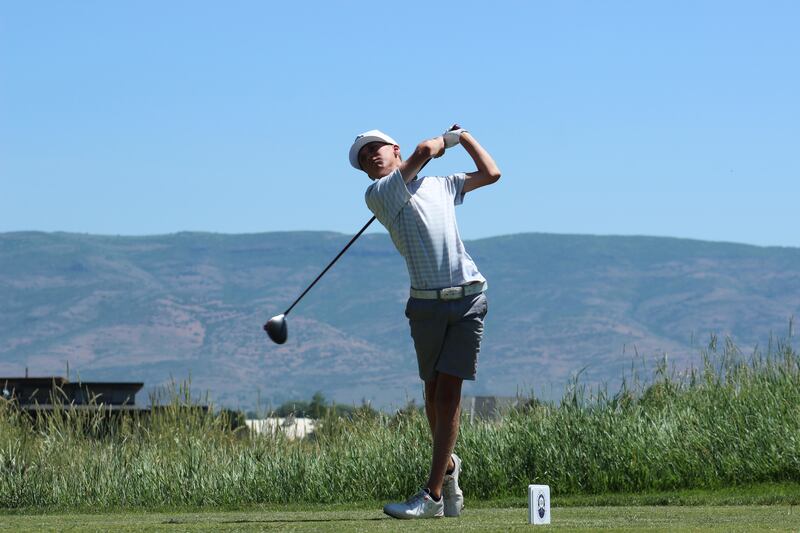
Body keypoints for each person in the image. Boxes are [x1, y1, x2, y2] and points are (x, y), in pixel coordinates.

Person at [348, 125, 500, 519]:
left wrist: (463, 138)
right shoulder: (378, 194)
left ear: (391, 149)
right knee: (432, 396)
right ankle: (448, 468)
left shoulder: (441, 185)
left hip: (467, 297)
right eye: (365, 160)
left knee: (448, 392)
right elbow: (422, 149)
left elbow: (491, 173)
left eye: (375, 150)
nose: (371, 159)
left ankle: (432, 496)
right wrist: (441, 142)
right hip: (425, 306)